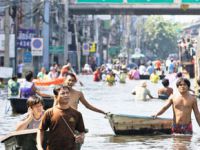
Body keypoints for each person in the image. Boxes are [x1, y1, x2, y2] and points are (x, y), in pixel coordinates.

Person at [37, 85, 85, 150]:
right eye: (63, 93)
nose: (66, 95)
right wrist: (40, 147)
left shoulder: (77, 114)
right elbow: (41, 130)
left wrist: (81, 138)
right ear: (56, 97)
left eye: (67, 93)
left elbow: (82, 131)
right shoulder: (49, 112)